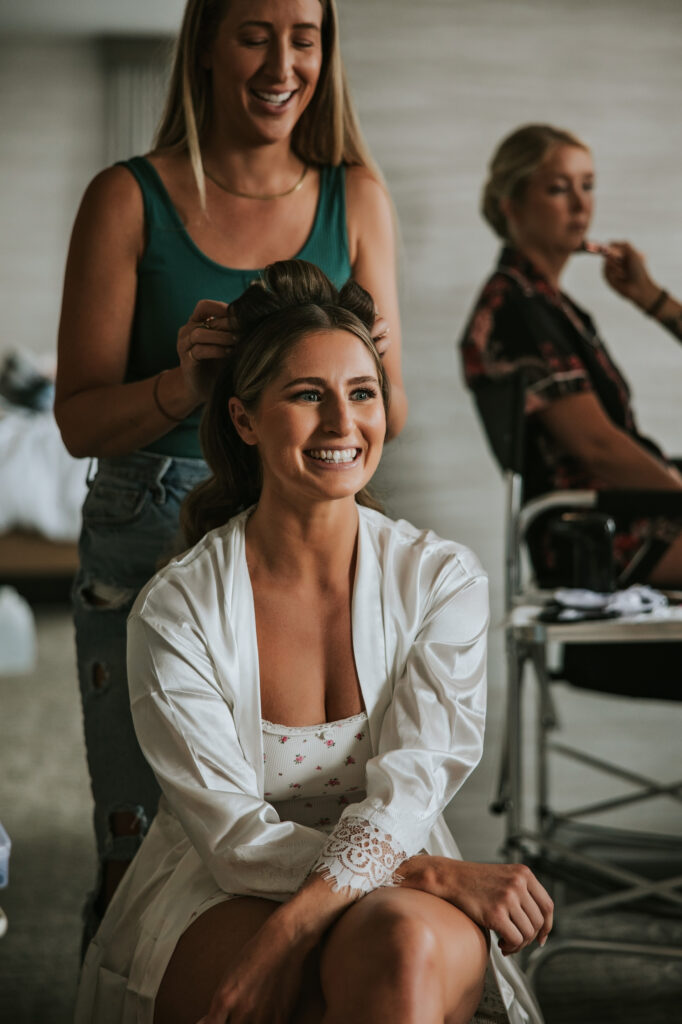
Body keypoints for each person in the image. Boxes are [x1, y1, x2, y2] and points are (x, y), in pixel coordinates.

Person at [75, 260, 552, 1024]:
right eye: (307, 395)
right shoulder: (176, 608)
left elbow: (411, 784)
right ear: (243, 419)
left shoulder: (443, 581)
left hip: (396, 865)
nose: (342, 424)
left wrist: (295, 928)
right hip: (228, 879)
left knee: (398, 953)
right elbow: (232, 841)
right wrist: (430, 873)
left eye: (362, 393)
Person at [54, 0, 407, 923]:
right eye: (254, 33)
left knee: (306, 818)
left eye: (306, 36)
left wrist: (336, 370)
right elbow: (78, 420)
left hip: (305, 532)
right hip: (146, 524)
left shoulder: (357, 195)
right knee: (137, 845)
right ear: (205, 44)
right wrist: (181, 386)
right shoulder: (125, 197)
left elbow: (390, 406)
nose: (283, 62)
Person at [459, 123, 682, 589]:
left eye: (588, 186)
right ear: (511, 205)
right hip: (594, 531)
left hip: (623, 511)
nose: (581, 205)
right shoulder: (516, 309)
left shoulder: (550, 306)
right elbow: (597, 448)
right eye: (559, 189)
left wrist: (652, 299)